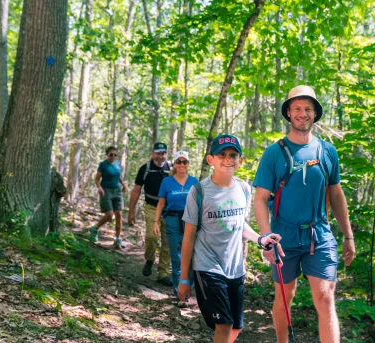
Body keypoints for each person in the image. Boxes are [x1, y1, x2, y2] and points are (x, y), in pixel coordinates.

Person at [253, 85, 356, 343]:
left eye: (308, 109)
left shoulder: (327, 151)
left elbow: (336, 194)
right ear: (288, 112)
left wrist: (348, 235)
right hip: (283, 236)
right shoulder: (273, 153)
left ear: (315, 114)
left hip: (319, 235)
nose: (302, 113)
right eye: (297, 108)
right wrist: (266, 238)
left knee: (325, 296)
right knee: (285, 297)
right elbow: (261, 199)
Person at [178, 134, 283, 343]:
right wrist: (183, 278)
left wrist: (261, 239)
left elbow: (239, 225)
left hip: (235, 268)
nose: (228, 159)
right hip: (207, 266)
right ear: (211, 160)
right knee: (224, 323)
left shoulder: (243, 189)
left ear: (240, 160)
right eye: (222, 154)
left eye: (233, 155)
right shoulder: (198, 191)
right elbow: (189, 236)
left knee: (236, 326)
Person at [152, 151, 199, 296]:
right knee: (176, 257)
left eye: (185, 162)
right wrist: (155, 221)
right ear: (174, 164)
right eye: (179, 162)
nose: (182, 165)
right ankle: (179, 293)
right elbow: (161, 203)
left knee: (191, 256)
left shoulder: (194, 181)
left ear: (188, 164)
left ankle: (188, 288)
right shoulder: (167, 182)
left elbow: (200, 203)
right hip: (172, 220)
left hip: (190, 221)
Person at [128, 142, 172, 286]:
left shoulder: (173, 168)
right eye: (158, 153)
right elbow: (136, 190)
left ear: (166, 153)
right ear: (153, 153)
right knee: (151, 236)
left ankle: (163, 273)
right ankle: (149, 259)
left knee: (168, 242)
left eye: (163, 153)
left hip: (169, 209)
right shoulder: (145, 168)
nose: (160, 156)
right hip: (152, 206)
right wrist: (131, 211)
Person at [89, 146, 128, 249]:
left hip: (117, 191)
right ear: (107, 154)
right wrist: (99, 188)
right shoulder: (103, 165)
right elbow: (97, 179)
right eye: (111, 154)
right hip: (106, 191)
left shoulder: (117, 164)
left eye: (115, 155)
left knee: (119, 214)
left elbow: (118, 176)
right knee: (110, 215)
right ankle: (95, 228)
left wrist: (123, 184)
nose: (113, 156)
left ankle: (118, 239)